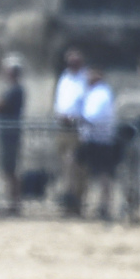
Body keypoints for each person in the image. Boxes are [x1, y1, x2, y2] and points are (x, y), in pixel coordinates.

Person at [73, 65, 119, 220]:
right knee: (80, 168)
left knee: (103, 175)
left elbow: (94, 116)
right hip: (90, 139)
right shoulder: (90, 93)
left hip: (101, 140)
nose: (87, 76)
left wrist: (78, 119)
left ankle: (104, 206)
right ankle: (82, 203)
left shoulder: (103, 94)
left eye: (91, 73)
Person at [52, 48, 89, 215]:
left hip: (77, 128)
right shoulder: (64, 78)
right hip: (62, 128)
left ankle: (77, 204)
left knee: (76, 167)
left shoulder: (85, 79)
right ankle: (67, 203)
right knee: (65, 167)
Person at [0, 56, 26, 214]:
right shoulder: (10, 89)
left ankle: (14, 203)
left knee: (10, 169)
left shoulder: (16, 90)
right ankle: (12, 202)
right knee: (7, 169)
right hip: (5, 133)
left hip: (10, 135)